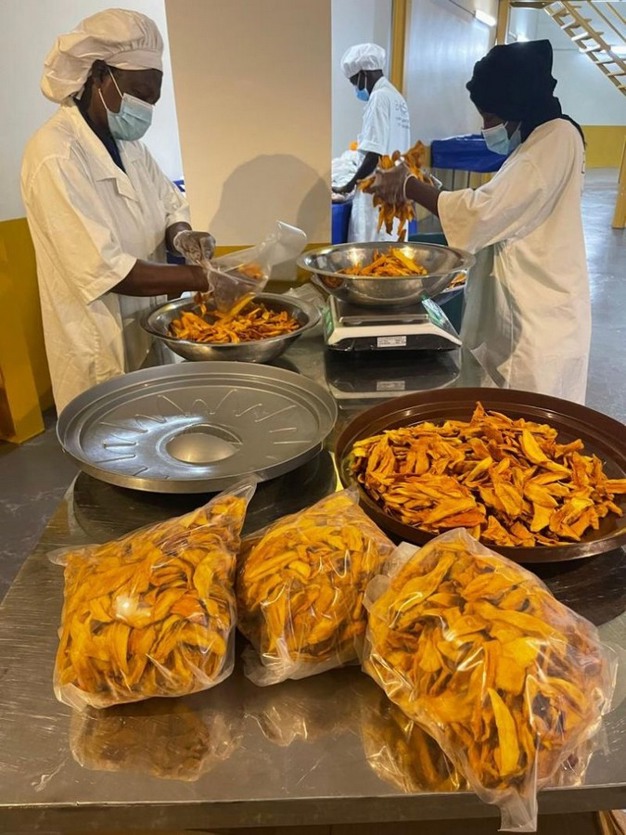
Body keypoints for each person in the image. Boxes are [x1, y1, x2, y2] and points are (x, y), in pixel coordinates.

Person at [364, 40, 590, 404]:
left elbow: (484, 213)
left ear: (517, 106)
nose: (486, 128)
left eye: (490, 118)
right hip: (526, 305)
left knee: (522, 423)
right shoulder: (542, 139)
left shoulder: (553, 141)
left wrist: (409, 187)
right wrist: (430, 187)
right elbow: (504, 204)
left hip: (537, 321)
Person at [21, 9, 215, 412]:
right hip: (99, 340)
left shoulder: (130, 146)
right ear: (99, 75)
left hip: (147, 327)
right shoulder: (55, 154)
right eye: (138, 93)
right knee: (112, 433)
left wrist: (182, 235)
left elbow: (169, 205)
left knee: (156, 427)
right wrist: (206, 277)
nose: (144, 109)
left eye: (152, 100)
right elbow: (106, 269)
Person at [334, 43, 411, 242]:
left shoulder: (378, 98)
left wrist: (349, 185)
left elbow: (374, 155)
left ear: (363, 74)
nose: (355, 88)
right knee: (394, 252)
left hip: (376, 198)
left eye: (354, 82)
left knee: (371, 254)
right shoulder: (396, 98)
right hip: (396, 192)